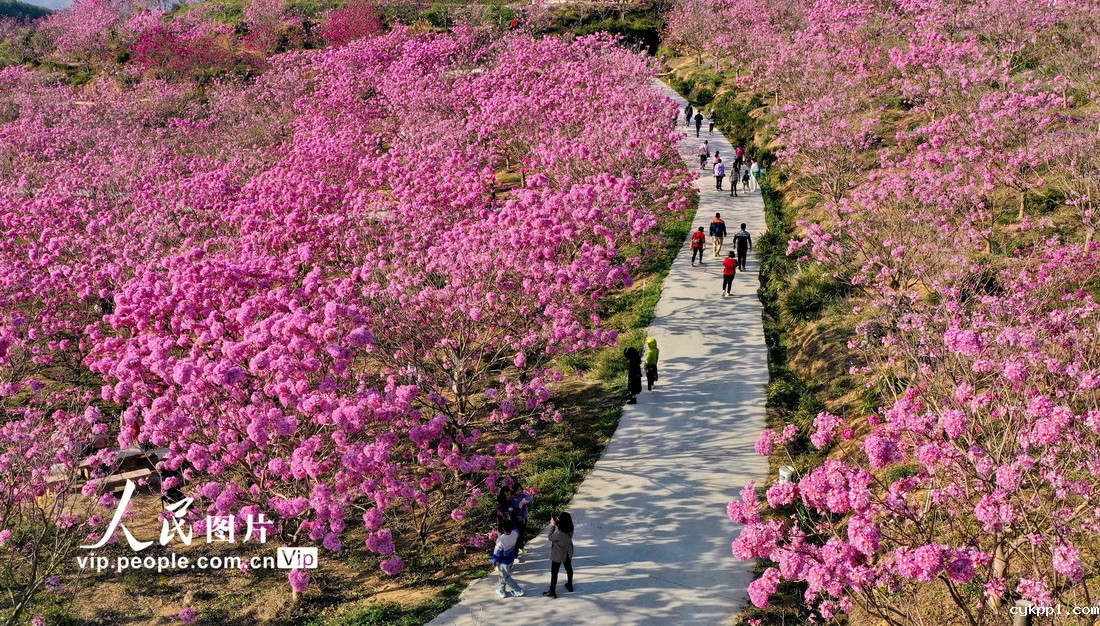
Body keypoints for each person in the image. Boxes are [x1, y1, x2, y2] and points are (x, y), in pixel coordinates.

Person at [543, 512, 575, 598]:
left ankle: (552, 591)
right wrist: (557, 522)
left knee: (554, 572)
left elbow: (550, 537)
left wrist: (552, 525)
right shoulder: (571, 528)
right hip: (568, 553)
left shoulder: (559, 534)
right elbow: (563, 527)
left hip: (558, 554)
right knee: (569, 569)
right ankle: (570, 584)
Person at [493, 520, 525, 598]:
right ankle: (501, 590)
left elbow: (497, 553)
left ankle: (518, 590)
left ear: (503, 528)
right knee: (503, 575)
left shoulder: (500, 540)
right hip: (511, 559)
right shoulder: (515, 534)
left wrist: (494, 562)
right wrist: (510, 521)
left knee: (506, 577)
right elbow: (516, 528)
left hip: (503, 561)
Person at [510, 484, 534, 554]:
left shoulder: (523, 496)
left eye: (520, 489)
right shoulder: (511, 498)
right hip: (515, 518)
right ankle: (516, 549)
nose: (520, 491)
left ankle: (521, 547)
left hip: (523, 517)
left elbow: (531, 500)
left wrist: (527, 502)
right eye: (518, 490)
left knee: (522, 533)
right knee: (516, 534)